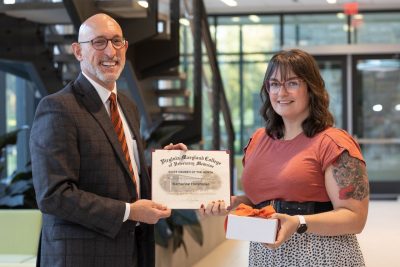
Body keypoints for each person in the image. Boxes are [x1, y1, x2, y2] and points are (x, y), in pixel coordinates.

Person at [30, 13, 186, 267]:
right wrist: (129, 211)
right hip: (82, 258)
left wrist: (164, 167)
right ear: (78, 51)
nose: (111, 51)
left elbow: (121, 173)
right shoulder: (58, 108)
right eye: (99, 42)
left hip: (132, 251)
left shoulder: (127, 105)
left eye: (117, 41)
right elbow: (54, 195)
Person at [201, 49, 369, 266]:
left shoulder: (333, 143)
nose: (281, 92)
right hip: (265, 256)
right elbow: (262, 199)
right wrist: (234, 203)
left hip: (322, 256)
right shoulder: (258, 139)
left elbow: (355, 218)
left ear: (311, 88)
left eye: (292, 83)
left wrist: (298, 222)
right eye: (274, 84)